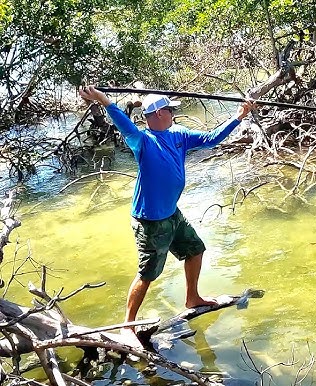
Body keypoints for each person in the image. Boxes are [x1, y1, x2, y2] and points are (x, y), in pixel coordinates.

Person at [78, 86, 255, 341]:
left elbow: (212, 139)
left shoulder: (179, 135)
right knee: (148, 273)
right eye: (171, 110)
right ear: (160, 113)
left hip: (172, 213)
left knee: (195, 249)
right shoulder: (142, 141)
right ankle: (127, 326)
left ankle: (192, 298)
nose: (174, 114)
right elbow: (123, 122)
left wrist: (238, 116)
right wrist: (104, 100)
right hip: (150, 221)